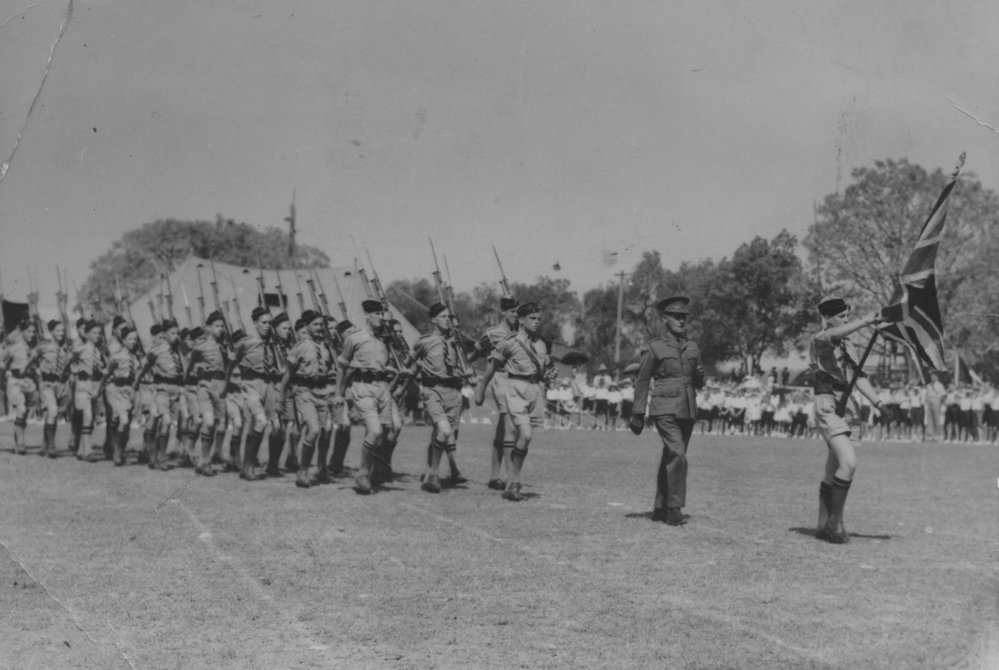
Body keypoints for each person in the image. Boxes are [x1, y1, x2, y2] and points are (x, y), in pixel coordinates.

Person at [808, 296, 886, 544]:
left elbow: (857, 377)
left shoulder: (848, 344)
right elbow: (835, 334)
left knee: (834, 467)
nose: (846, 320)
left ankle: (822, 524)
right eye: (841, 316)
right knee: (849, 462)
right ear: (827, 318)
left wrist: (879, 403)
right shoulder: (821, 338)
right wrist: (866, 321)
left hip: (847, 406)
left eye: (846, 316)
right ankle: (835, 523)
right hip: (827, 403)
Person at [629, 296, 705, 526]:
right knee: (678, 454)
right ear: (665, 319)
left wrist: (701, 376)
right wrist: (637, 413)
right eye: (676, 317)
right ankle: (674, 508)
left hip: (687, 408)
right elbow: (642, 382)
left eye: (684, 317)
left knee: (671, 456)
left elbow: (698, 382)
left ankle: (660, 506)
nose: (682, 321)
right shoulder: (655, 347)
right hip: (664, 407)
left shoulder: (693, 347)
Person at [474, 301, 555, 501]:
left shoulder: (541, 344)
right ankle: (515, 480)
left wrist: (550, 375)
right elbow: (491, 369)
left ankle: (512, 481)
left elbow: (543, 370)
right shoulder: (509, 342)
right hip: (514, 388)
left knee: (526, 437)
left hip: (534, 390)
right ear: (521, 320)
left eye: (538, 319)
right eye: (532, 319)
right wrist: (481, 389)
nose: (536, 322)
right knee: (524, 435)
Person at [335, 299, 394, 494]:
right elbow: (342, 367)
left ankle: (373, 473)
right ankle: (362, 473)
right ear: (367, 316)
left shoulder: (385, 340)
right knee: (375, 431)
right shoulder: (354, 338)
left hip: (382, 388)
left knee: (383, 434)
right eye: (377, 313)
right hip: (363, 387)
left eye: (382, 313)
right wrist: (339, 394)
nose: (381, 317)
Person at [412, 303, 467, 493]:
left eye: (449, 317)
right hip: (433, 390)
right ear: (434, 319)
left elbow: (463, 365)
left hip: (452, 393)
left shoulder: (455, 343)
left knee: (442, 435)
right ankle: (434, 475)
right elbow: (409, 362)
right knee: (443, 431)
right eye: (443, 316)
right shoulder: (425, 341)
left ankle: (428, 472)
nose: (447, 320)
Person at [280, 310, 334, 488]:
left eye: (321, 324)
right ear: (307, 326)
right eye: (315, 325)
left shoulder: (326, 347)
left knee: (323, 430)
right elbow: (288, 374)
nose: (319, 328)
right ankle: (302, 470)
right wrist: (282, 397)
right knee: (314, 429)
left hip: (322, 391)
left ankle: (320, 468)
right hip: (304, 391)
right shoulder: (300, 347)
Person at [471, 296, 519, 490]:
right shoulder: (492, 334)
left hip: (516, 382)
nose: (516, 316)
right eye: (513, 312)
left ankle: (494, 477)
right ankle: (511, 478)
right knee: (511, 427)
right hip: (500, 380)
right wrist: (478, 385)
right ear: (503, 313)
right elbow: (473, 355)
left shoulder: (520, 334)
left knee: (503, 430)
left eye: (518, 312)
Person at [104, 326, 143, 466]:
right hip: (117, 390)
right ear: (124, 340)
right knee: (124, 421)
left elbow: (138, 375)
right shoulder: (117, 356)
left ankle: (119, 450)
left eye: (135, 339)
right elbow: (107, 374)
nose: (134, 341)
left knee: (126, 427)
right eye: (130, 339)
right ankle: (117, 451)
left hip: (130, 392)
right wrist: (100, 388)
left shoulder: (137, 357)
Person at [35, 319, 71, 458]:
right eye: (58, 330)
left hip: (61, 385)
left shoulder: (67, 349)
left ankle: (45, 443)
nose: (61, 333)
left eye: (63, 330)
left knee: (53, 415)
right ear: (51, 332)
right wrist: (37, 371)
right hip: (47, 384)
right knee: (53, 411)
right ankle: (51, 446)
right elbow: (31, 360)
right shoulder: (43, 347)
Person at [3, 320, 39, 455]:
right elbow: (1, 360)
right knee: (21, 409)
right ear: (22, 332)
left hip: (29, 383)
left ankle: (18, 438)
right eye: (29, 331)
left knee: (24, 415)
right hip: (16, 381)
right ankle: (20, 443)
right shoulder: (14, 347)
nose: (32, 334)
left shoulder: (34, 348)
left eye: (33, 332)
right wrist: (6, 370)